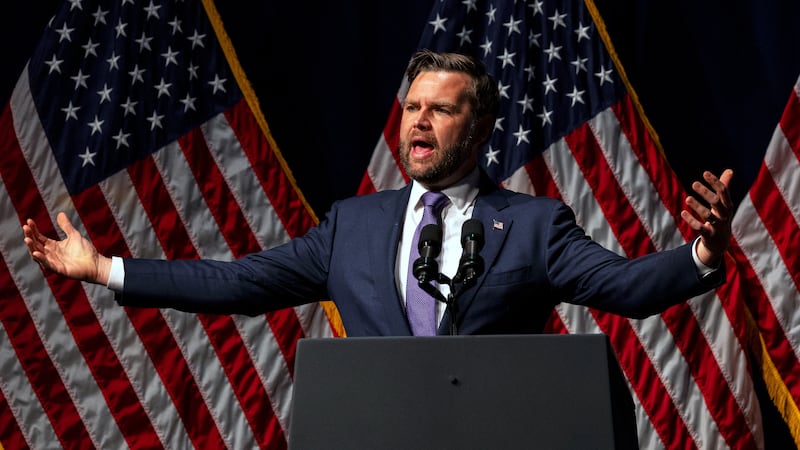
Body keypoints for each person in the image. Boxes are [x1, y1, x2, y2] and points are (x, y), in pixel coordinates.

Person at [22, 50, 733, 336]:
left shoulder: (535, 223)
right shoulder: (351, 227)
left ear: (479, 128)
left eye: (441, 109)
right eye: (411, 106)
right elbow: (237, 281)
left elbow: (625, 286)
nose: (418, 120)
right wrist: (106, 268)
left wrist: (699, 250)